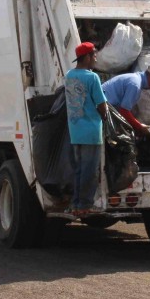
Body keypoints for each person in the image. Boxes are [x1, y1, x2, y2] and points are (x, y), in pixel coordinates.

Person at [65, 42, 107, 217]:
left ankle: (76, 203)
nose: (95, 59)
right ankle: (84, 205)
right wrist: (104, 117)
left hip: (75, 131)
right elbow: (102, 104)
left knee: (79, 170)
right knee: (90, 170)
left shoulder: (69, 76)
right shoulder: (92, 78)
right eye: (94, 56)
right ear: (87, 57)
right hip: (91, 131)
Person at [101, 66, 150, 137]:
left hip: (102, 107)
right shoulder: (135, 85)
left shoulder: (135, 79)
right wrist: (139, 126)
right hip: (101, 110)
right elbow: (124, 111)